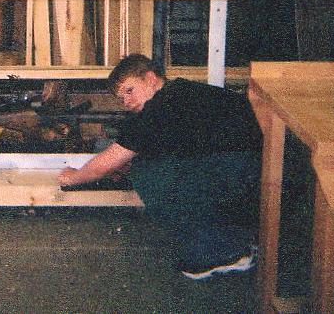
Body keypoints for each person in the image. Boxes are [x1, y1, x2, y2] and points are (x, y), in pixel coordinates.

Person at [58, 54, 262, 280]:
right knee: (152, 165)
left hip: (243, 173)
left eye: (129, 90)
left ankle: (222, 254)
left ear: (151, 79)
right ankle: (234, 240)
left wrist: (74, 177)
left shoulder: (160, 107)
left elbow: (108, 163)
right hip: (254, 173)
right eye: (121, 98)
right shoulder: (182, 93)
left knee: (149, 172)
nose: (126, 101)